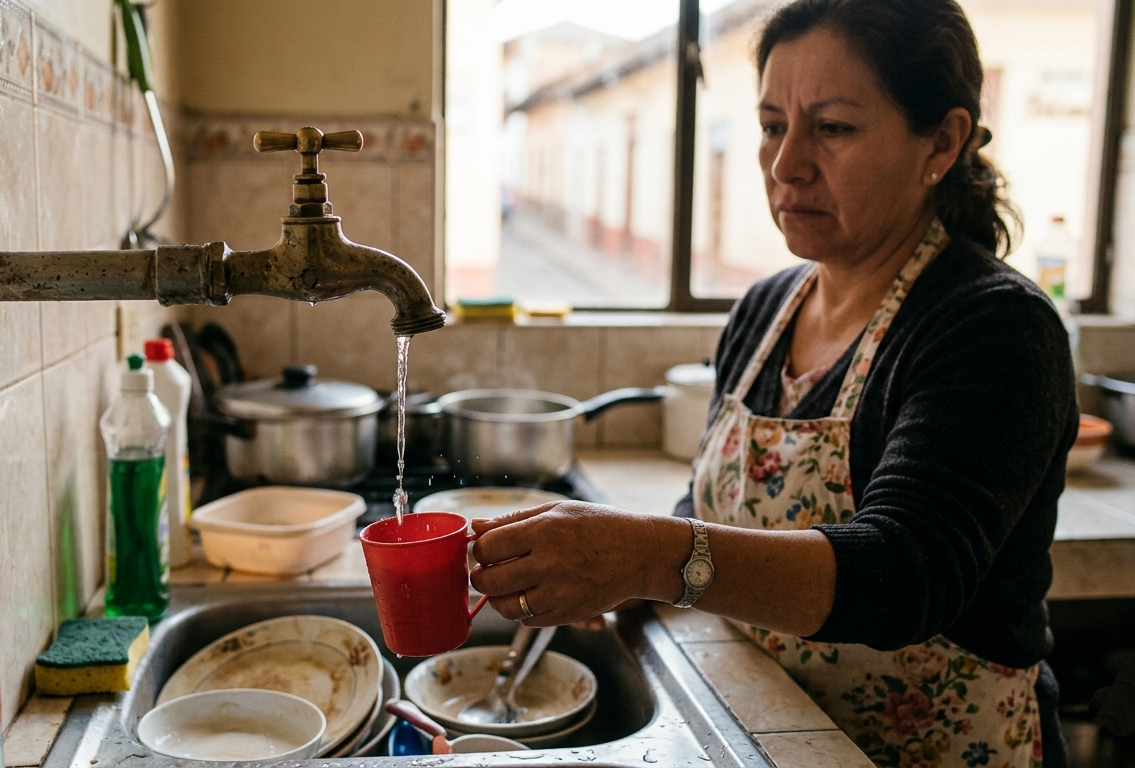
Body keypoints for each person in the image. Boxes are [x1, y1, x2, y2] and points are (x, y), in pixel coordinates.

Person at [469, 1, 1078, 765]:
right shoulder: (765, 309)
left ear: (942, 143)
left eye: (832, 128)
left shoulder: (992, 327)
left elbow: (902, 574)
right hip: (775, 731)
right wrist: (625, 575)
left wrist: (646, 557)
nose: (785, 163)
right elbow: (710, 507)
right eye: (769, 125)